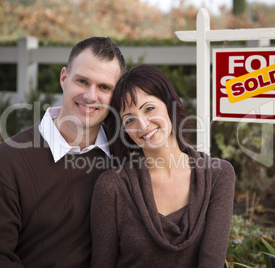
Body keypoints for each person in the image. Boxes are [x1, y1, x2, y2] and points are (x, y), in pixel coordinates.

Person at [0, 37, 126, 267]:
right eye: (82, 81)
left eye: (104, 87)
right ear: (64, 78)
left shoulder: (125, 156)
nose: (91, 96)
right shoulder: (8, 162)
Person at [90, 64, 235, 267]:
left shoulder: (217, 175)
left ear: (169, 104)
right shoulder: (112, 186)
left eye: (149, 109)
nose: (142, 125)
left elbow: (212, 262)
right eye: (129, 119)